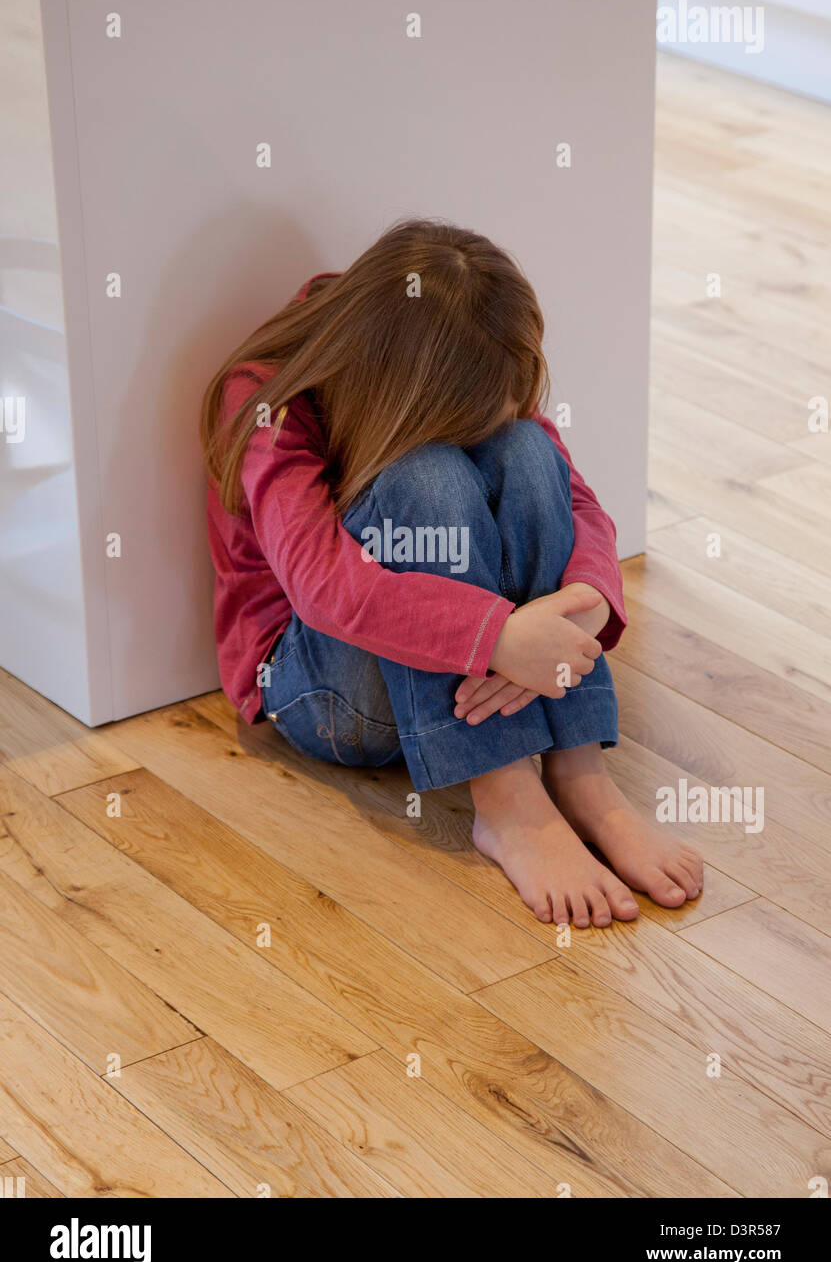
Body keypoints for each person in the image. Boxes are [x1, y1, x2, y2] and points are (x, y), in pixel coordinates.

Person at [201, 219, 703, 928]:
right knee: (425, 478)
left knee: (528, 451)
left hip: (479, 668)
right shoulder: (268, 398)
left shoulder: (459, 342)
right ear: (410, 396)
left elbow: (577, 498)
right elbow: (321, 588)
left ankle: (578, 772)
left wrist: (589, 598)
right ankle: (506, 803)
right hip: (324, 691)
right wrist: (495, 638)